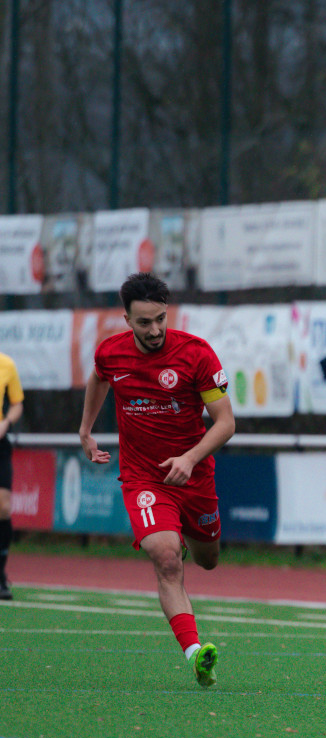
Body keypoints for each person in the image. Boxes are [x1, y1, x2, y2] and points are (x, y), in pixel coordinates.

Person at [78, 273, 235, 687]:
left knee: (208, 560)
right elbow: (98, 377)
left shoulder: (196, 354)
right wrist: (86, 430)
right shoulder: (111, 352)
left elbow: (226, 423)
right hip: (143, 477)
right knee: (167, 559)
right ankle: (196, 654)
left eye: (161, 319)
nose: (155, 330)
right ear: (126, 318)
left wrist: (190, 456)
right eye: (144, 322)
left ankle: (182, 538)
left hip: (194, 475)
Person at [0, 350, 25, 601]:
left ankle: (0, 575)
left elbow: (17, 403)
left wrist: (6, 422)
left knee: (4, 507)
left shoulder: (6, 363)